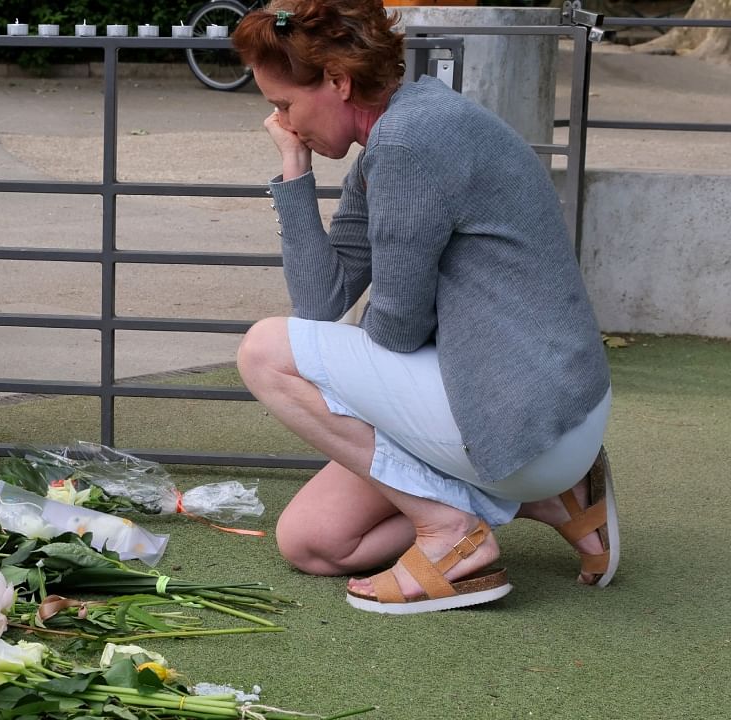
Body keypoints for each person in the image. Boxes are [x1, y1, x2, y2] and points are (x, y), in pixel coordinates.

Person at [231, 0, 617, 614]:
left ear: (337, 81)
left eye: (284, 106)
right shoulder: (393, 136)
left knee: (265, 351)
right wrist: (294, 168)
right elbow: (320, 302)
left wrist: (354, 369)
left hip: (528, 412)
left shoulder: (413, 141)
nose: (280, 121)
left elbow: (399, 332)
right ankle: (548, 499)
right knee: (313, 542)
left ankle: (449, 533)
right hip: (519, 412)